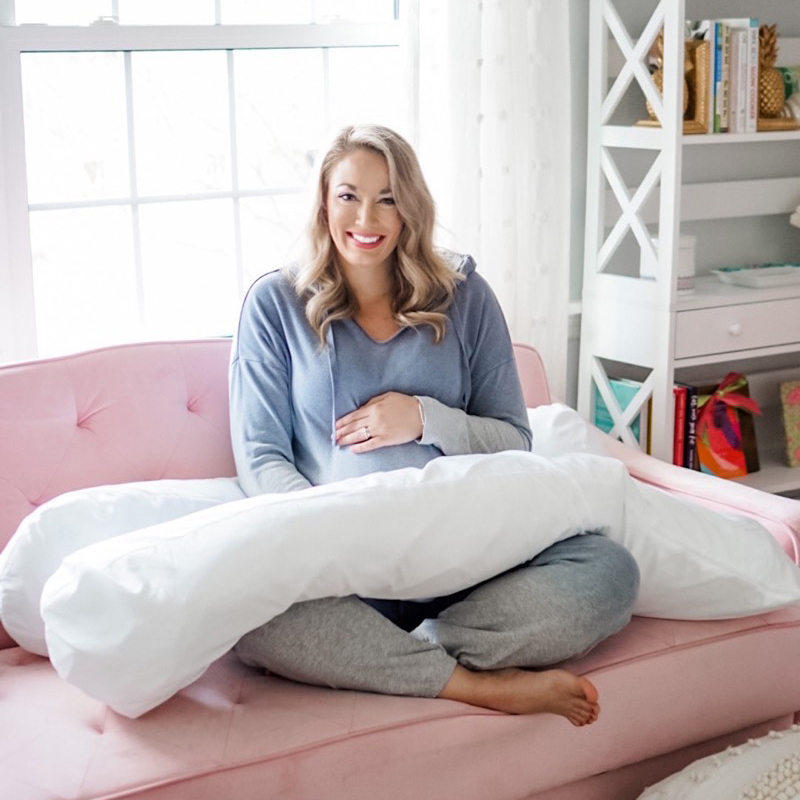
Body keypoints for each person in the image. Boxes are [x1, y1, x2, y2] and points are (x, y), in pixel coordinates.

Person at [229, 123, 639, 727]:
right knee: (244, 612)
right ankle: (475, 684)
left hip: (471, 561)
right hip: (345, 571)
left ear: (410, 207)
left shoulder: (465, 296)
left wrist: (424, 418)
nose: (366, 216)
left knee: (609, 573)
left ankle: (399, 660)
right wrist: (322, 533)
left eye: (387, 197)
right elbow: (262, 458)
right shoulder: (274, 304)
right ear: (324, 202)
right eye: (348, 195)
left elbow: (515, 439)